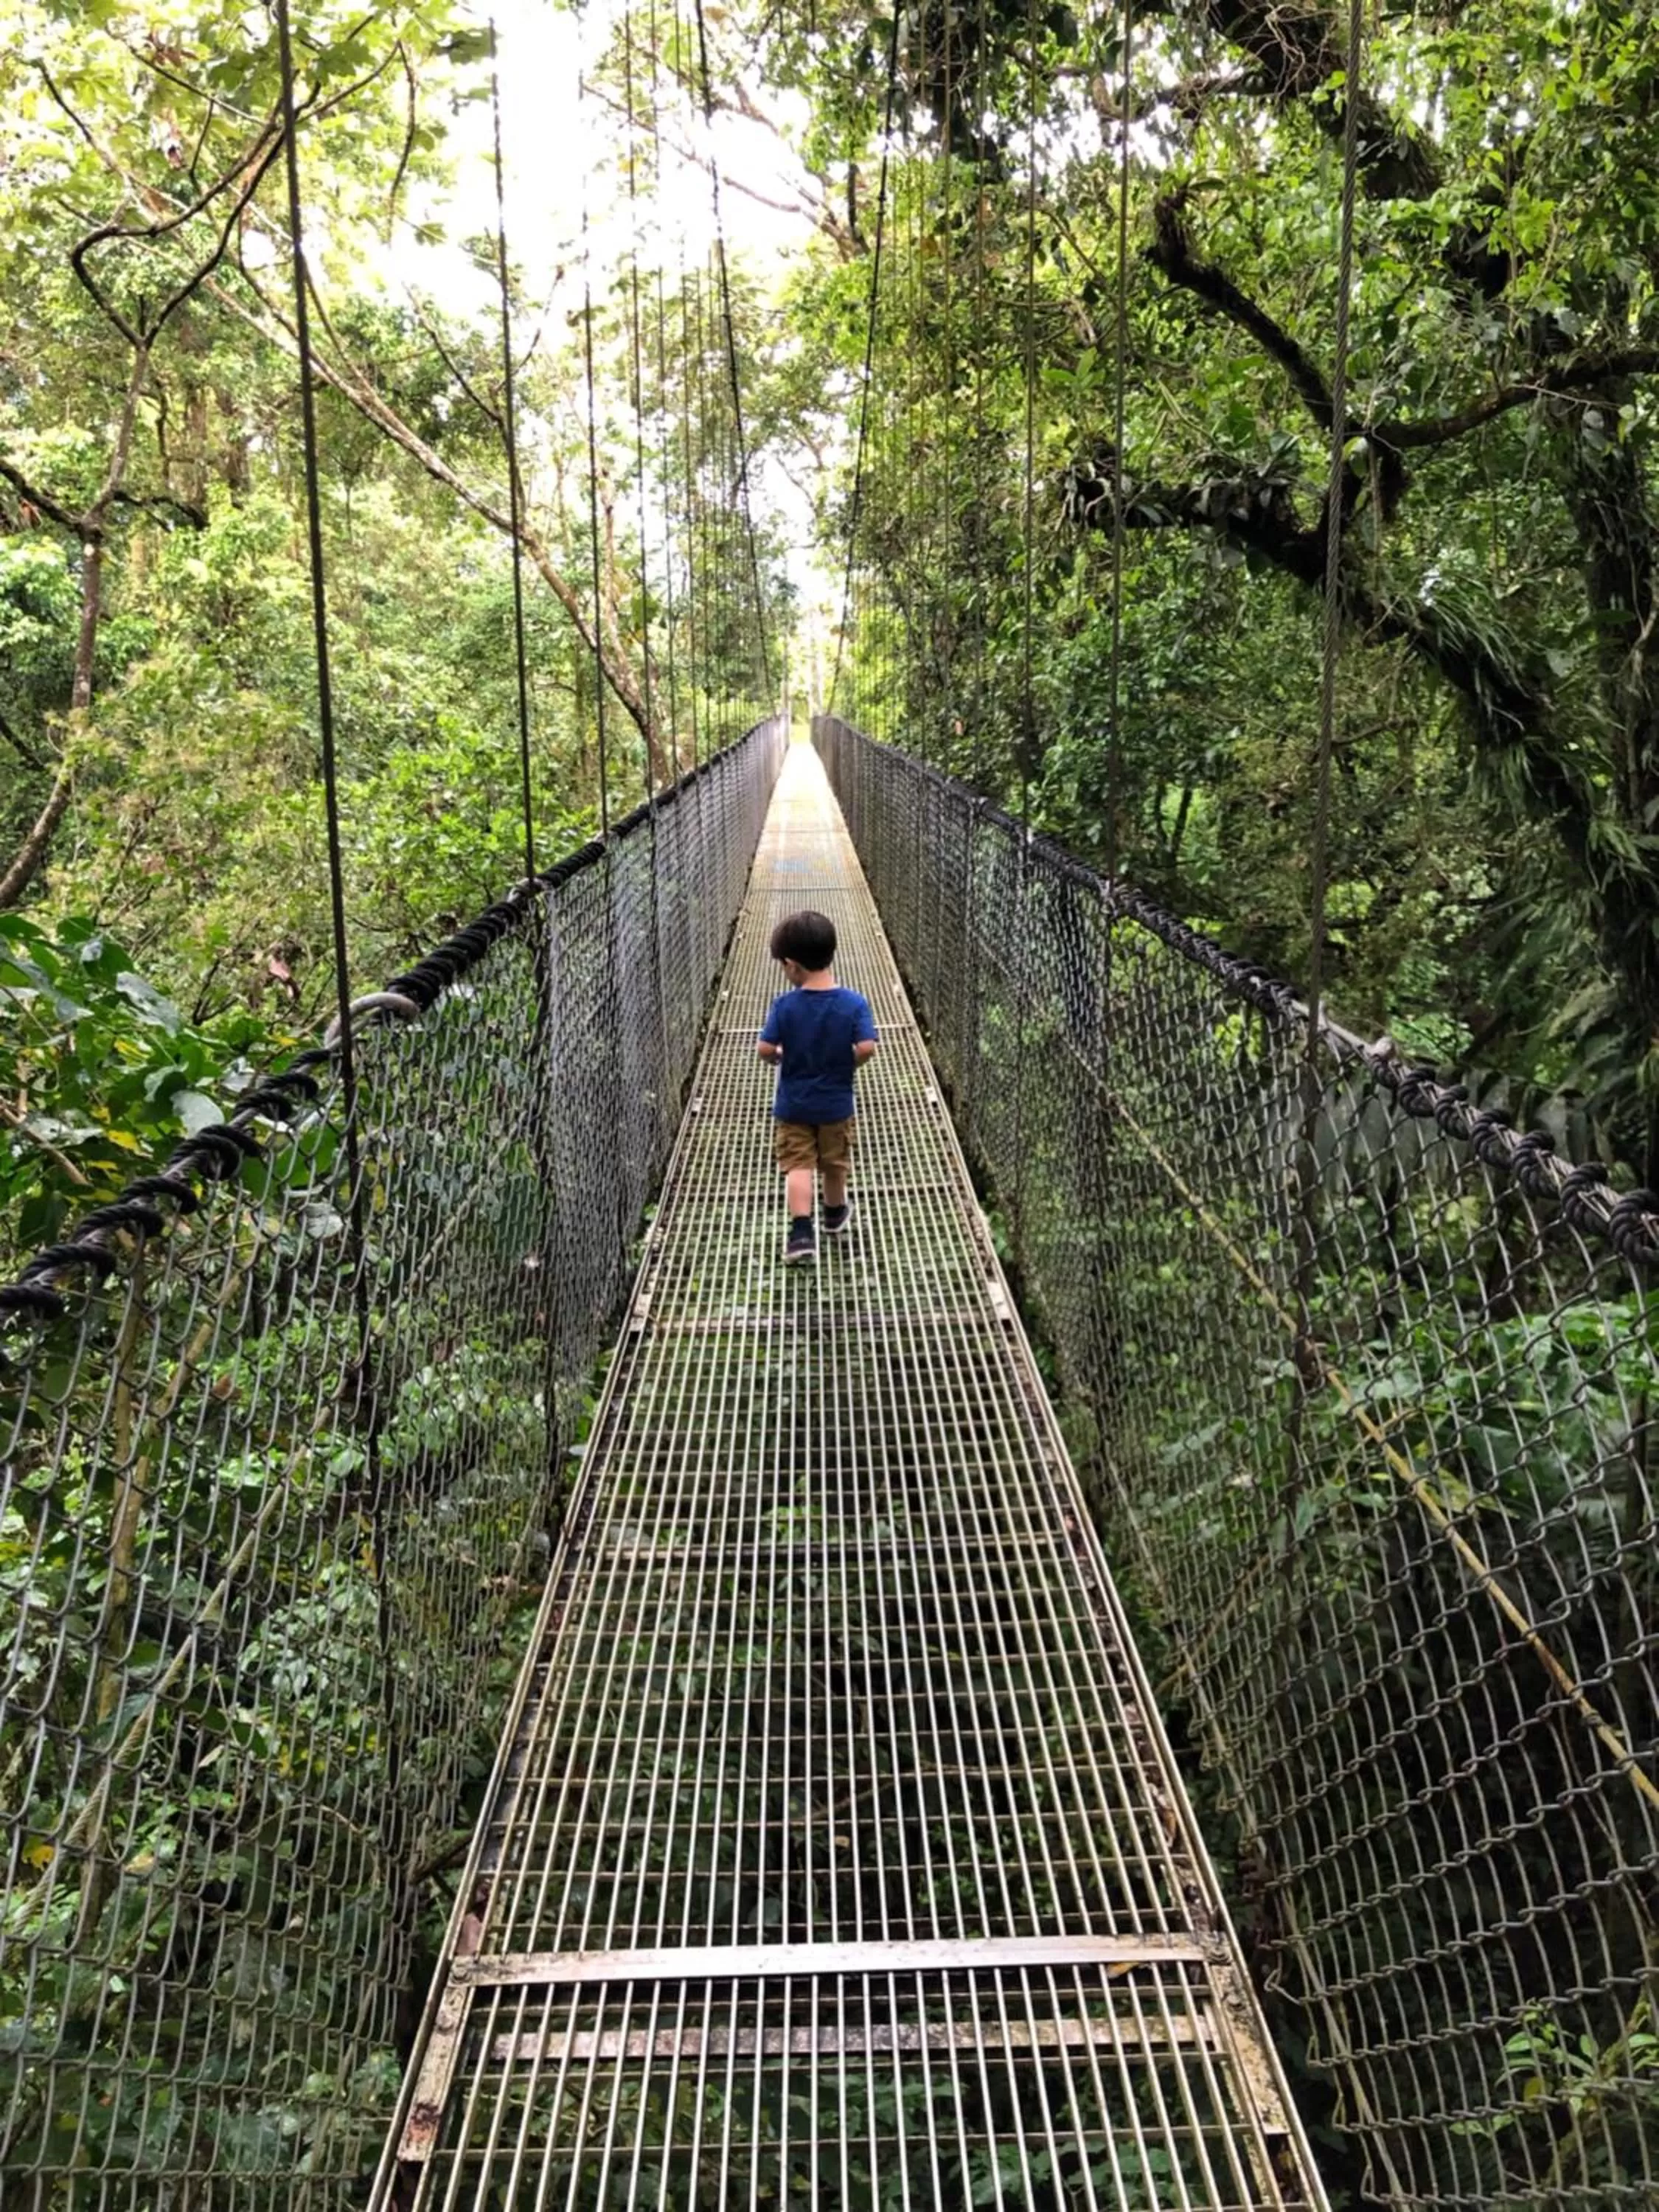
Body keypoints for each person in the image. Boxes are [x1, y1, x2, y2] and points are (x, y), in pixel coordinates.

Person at [757, 910, 878, 1265]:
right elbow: (868, 1047)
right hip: (837, 1105)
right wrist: (848, 1062)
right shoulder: (855, 1003)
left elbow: (765, 1050)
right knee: (834, 1162)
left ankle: (801, 1234)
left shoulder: (784, 1005)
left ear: (792, 966)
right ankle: (835, 1213)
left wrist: (780, 1056)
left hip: (793, 1106)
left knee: (799, 1165)